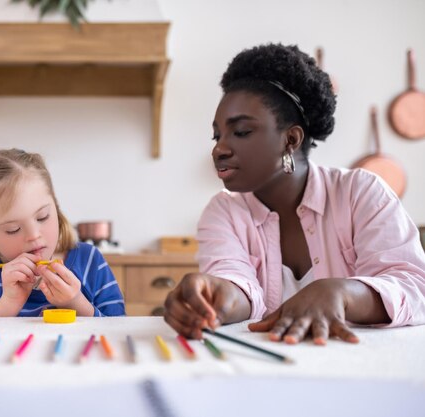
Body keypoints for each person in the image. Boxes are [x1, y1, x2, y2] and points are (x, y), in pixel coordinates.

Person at [164, 43, 425, 345]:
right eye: (217, 135)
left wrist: (341, 293)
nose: (219, 149)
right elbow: (236, 284)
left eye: (241, 132)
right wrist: (214, 293)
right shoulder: (223, 212)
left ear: (290, 139)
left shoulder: (361, 193)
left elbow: (415, 286)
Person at [0, 149, 126, 318]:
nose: (34, 235)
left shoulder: (90, 261)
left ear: (55, 206)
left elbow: (119, 335)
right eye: (13, 229)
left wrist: (76, 303)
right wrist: (8, 304)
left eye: (42, 217)